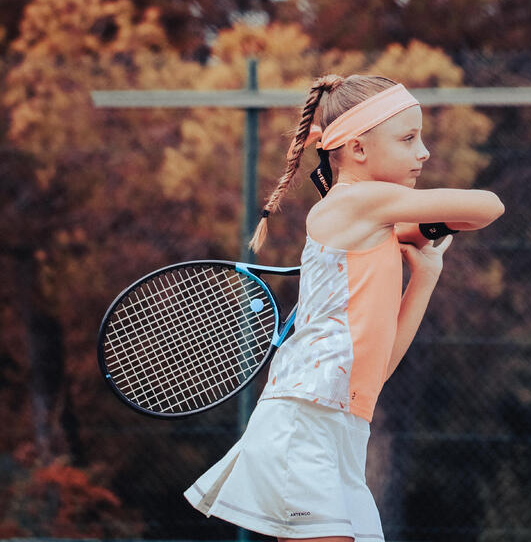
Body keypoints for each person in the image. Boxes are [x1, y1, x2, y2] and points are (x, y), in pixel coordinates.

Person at [184, 73, 504, 542]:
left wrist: (425, 275)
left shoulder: (371, 223)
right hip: (303, 423)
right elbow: (487, 206)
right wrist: (420, 225)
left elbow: (377, 369)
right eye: (409, 138)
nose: (424, 153)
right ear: (357, 149)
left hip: (339, 427)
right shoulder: (359, 201)